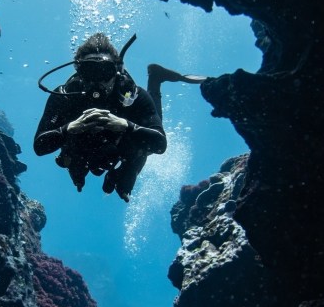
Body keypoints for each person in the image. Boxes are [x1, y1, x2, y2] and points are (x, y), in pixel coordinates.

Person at [33, 32, 206, 202]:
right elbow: (40, 147)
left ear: (115, 71)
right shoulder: (64, 96)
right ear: (79, 72)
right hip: (81, 149)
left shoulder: (133, 95)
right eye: (89, 72)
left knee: (141, 156)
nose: (97, 82)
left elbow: (159, 145)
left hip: (124, 147)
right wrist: (69, 128)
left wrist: (126, 125)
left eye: (104, 72)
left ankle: (156, 78)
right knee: (76, 166)